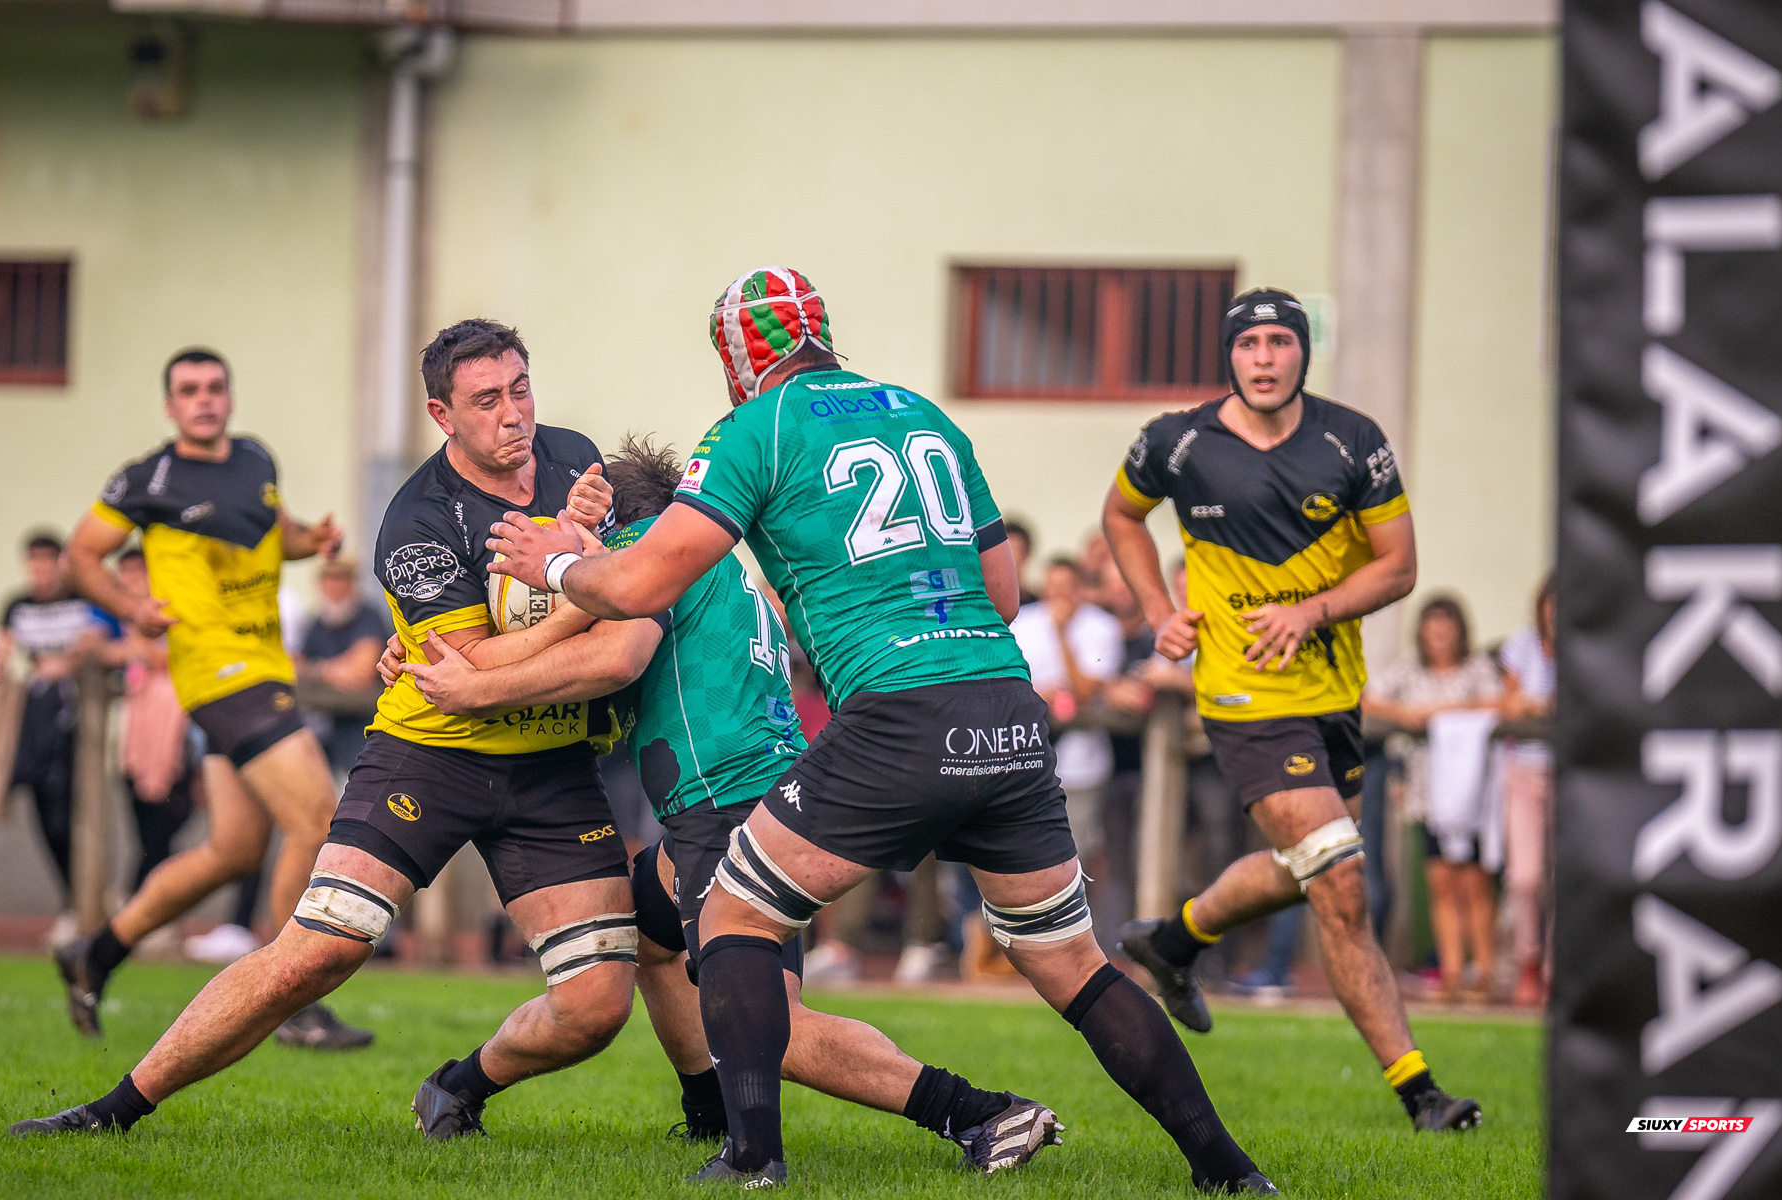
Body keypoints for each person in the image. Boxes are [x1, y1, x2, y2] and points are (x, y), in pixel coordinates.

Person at [485, 266, 1275, 1193]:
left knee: (734, 913)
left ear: (740, 360)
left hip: (899, 712)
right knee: (1069, 959)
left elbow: (639, 583)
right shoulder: (924, 415)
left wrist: (557, 562)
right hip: (1004, 704)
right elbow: (1004, 595)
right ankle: (1228, 1170)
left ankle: (751, 1160)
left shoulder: (756, 427)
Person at [10, 320, 638, 1140]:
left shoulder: (573, 458)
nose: (514, 413)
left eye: (520, 389)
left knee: (596, 1006)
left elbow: (619, 577)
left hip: (554, 765)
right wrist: (590, 595)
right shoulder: (417, 520)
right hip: (432, 754)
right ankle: (112, 1111)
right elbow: (474, 674)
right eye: (486, 400)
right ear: (443, 415)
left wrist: (591, 553)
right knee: (319, 949)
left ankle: (455, 1090)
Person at [385, 436, 1052, 1170]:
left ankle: (981, 1114)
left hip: (726, 806)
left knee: (774, 1029)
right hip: (744, 796)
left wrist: (475, 683)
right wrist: (424, 648)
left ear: (617, 524)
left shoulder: (643, 555)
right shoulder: (714, 564)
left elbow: (614, 657)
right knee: (647, 936)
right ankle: (669, 1109)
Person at [1102, 287, 1480, 1133]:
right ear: (1229, 355)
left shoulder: (1353, 440)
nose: (1264, 358)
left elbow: (1399, 567)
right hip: (1243, 695)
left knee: (1307, 864)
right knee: (1340, 878)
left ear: (1304, 352)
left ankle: (1175, 940)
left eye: (1280, 342)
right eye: (1249, 344)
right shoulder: (1178, 442)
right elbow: (1122, 517)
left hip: (1334, 693)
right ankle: (1422, 1093)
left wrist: (1311, 612)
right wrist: (1159, 611)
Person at [52, 348, 369, 1049]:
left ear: (229, 397)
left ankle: (94, 953)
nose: (204, 399)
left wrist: (312, 539)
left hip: (265, 667)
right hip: (218, 672)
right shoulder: (148, 479)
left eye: (214, 387)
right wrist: (130, 608)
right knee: (317, 817)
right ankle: (290, 998)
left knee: (233, 849)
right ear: (170, 406)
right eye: (189, 390)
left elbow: (274, 533)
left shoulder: (255, 459)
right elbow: (81, 554)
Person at [1361, 596, 1501, 1001]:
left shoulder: (1477, 668)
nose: (1439, 634)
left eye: (1446, 626)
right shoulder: (1410, 669)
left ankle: (1485, 973)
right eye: (1432, 626)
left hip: (1472, 793)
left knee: (1474, 883)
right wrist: (1406, 715)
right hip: (1429, 793)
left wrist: (1445, 711)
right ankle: (1452, 973)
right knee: (1441, 883)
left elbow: (1501, 702)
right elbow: (1368, 697)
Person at [0, 531, 116, 926]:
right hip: (32, 725)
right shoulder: (17, 607)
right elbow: (7, 654)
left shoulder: (82, 603)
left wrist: (65, 664)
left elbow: (96, 644)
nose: (42, 571)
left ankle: (83, 901)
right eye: (35, 563)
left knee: (68, 814)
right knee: (43, 812)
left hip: (74, 725)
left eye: (48, 563)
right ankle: (74, 900)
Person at [1011, 557, 1122, 915]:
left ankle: (1073, 926)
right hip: (1024, 760)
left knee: (1075, 856)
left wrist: (1061, 635)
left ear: (1080, 590)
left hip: (1082, 764)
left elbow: (1086, 690)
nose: (1058, 596)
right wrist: (1038, 693)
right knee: (1026, 854)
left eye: (1066, 588)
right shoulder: (1023, 622)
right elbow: (1009, 683)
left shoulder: (1101, 626)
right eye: (1053, 588)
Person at [104, 549, 198, 896]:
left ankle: (138, 898)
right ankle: (147, 899)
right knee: (144, 826)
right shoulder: (118, 614)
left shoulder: (172, 608)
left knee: (166, 821)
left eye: (138, 572)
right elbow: (99, 649)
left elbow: (165, 655)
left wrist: (138, 647)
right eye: (125, 572)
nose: (131, 580)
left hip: (177, 734)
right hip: (134, 736)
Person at [1498, 575, 1555, 1006]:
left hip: (1572, 776)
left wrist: (1536, 706)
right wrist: (1542, 707)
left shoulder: (1589, 645)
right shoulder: (1522, 644)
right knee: (1525, 877)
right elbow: (1510, 704)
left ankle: (1554, 969)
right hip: (1524, 770)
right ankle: (1527, 961)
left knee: (1563, 878)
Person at [295, 557, 391, 780]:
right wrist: (333, 670)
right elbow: (296, 669)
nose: (335, 588)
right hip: (328, 728)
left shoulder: (368, 616)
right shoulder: (317, 624)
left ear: (352, 584)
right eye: (329, 580)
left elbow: (362, 672)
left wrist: (317, 671)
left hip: (367, 726)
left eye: (341, 580)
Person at [1004, 517, 1038, 606]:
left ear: (1027, 554)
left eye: (1015, 550)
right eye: (1005, 551)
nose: (1009, 558)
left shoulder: (1038, 606)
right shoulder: (983, 602)